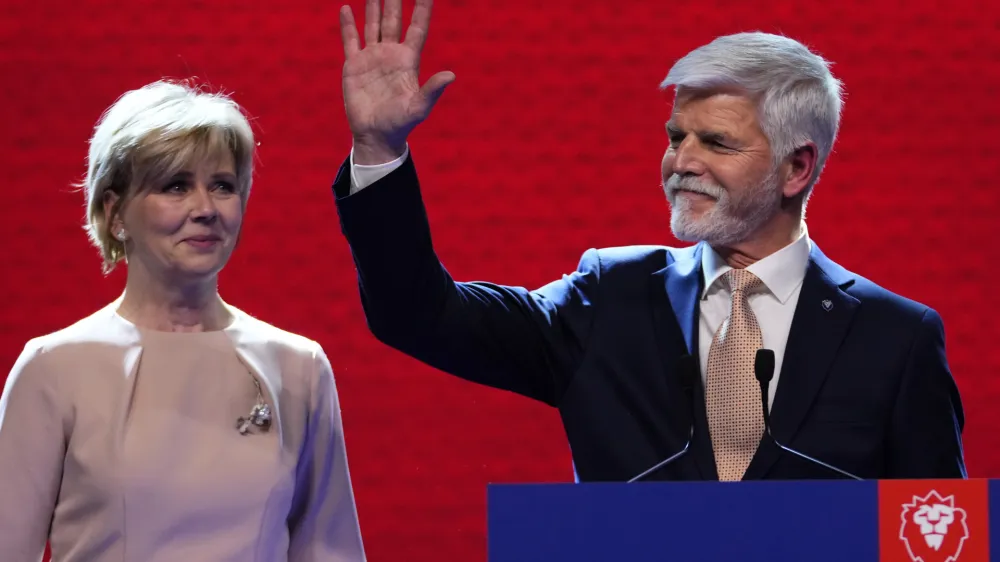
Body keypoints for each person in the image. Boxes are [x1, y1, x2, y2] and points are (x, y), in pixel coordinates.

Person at [331, 0, 966, 481]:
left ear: (796, 168)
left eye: (716, 142)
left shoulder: (895, 339)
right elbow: (419, 314)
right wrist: (379, 150)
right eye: (675, 136)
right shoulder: (609, 298)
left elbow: (934, 533)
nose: (681, 162)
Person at [0, 80, 367, 560]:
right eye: (176, 186)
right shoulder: (54, 368)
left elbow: (330, 550)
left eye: (223, 186)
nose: (206, 209)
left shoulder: (298, 366)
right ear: (115, 213)